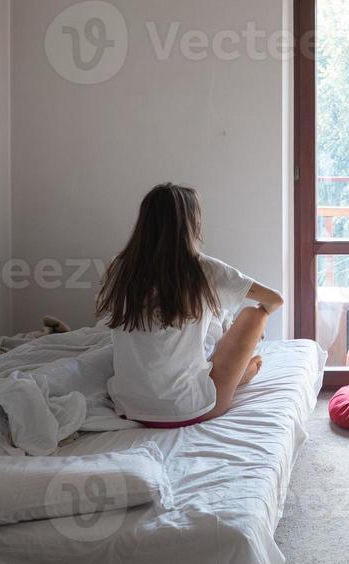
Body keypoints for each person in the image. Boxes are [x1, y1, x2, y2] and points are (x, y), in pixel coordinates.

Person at [97, 183, 284, 428]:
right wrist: (257, 328)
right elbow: (275, 300)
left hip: (129, 406)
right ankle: (238, 375)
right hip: (189, 409)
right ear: (191, 223)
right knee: (253, 315)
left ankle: (234, 372)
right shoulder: (205, 269)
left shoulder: (119, 268)